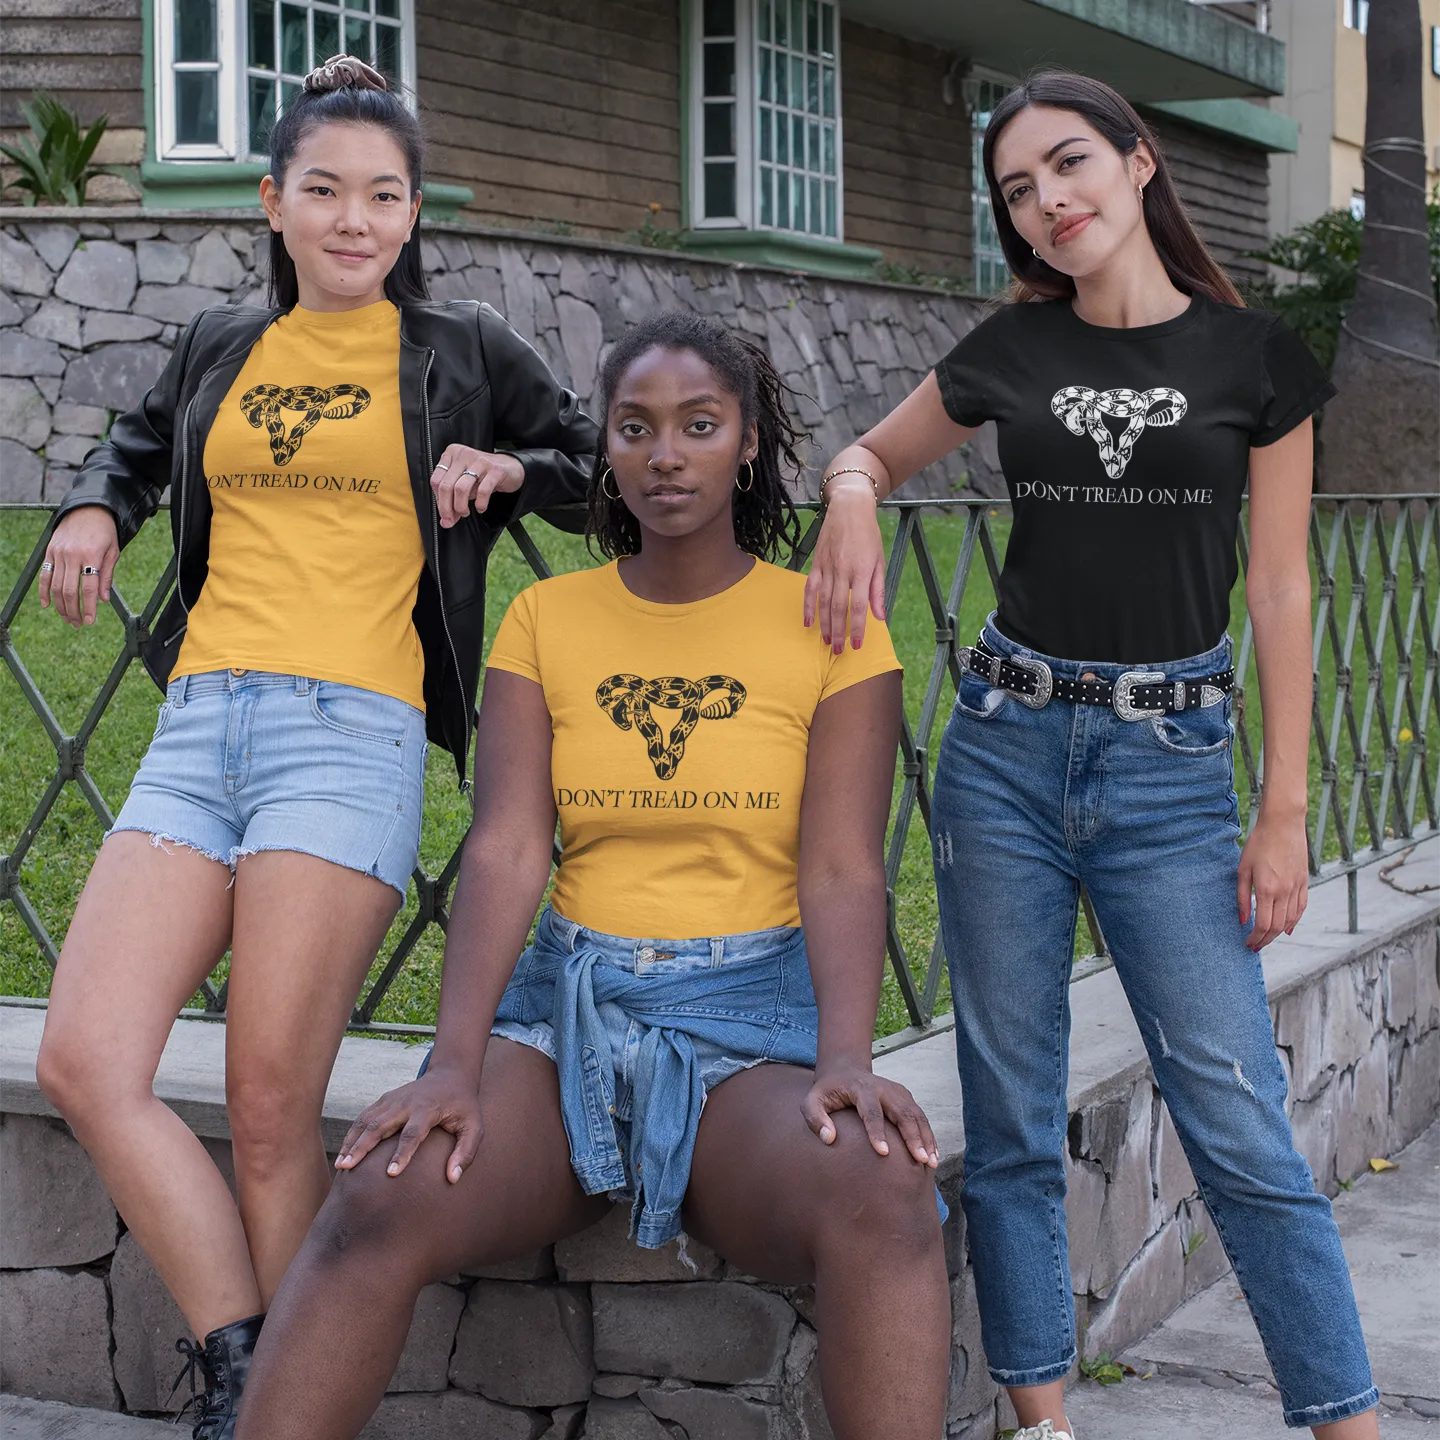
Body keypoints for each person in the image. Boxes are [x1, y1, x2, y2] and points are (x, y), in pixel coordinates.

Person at [228, 311, 950, 1440]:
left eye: (699, 426)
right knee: (381, 1194)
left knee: (888, 1193)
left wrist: (846, 1059)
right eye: (636, 427)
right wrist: (454, 1065)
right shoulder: (546, 618)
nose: (666, 455)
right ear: (605, 447)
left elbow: (846, 864)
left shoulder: (829, 624)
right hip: (570, 1016)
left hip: (747, 1027)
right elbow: (509, 849)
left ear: (747, 442)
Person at [802, 69, 1379, 1440]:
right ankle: (1043, 1419)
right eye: (1019, 189)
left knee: (1236, 1115)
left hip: (1170, 768)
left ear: (1136, 163)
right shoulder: (1015, 348)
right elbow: (869, 458)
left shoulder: (1257, 361)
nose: (1049, 201)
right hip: (1004, 747)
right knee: (1010, 1117)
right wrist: (848, 497)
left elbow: (1283, 589)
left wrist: (1284, 806)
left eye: (1069, 165)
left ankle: (1347, 1422)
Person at [33, 56, 594, 1440]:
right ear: (274, 202)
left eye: (384, 196)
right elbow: (142, 444)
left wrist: (513, 471)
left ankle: (285, 1416)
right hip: (199, 727)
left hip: (349, 736)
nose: (356, 219)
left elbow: (601, 470)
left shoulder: (462, 353)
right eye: (326, 191)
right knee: (85, 1060)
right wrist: (100, 507)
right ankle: (248, 1360)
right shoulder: (223, 342)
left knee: (273, 1103)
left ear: (413, 215)